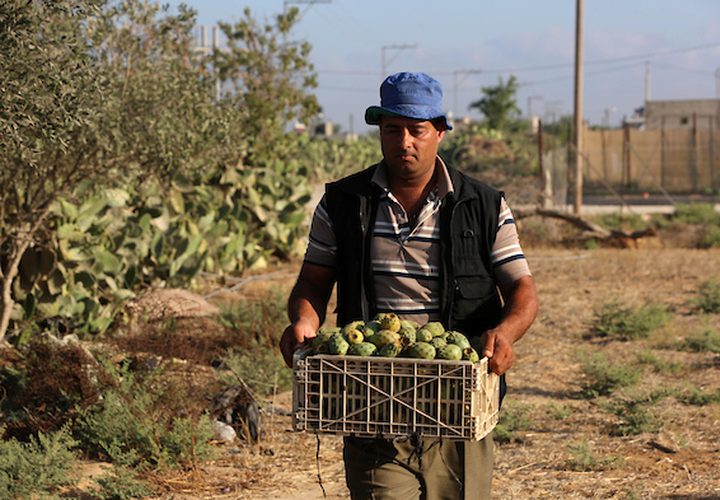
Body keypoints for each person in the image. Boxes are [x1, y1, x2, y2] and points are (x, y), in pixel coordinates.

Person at [280, 72, 539, 500]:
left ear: (439, 131)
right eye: (392, 130)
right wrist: (304, 321)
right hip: (370, 400)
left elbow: (522, 290)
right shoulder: (342, 203)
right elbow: (313, 280)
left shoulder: (484, 205)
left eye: (417, 130)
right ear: (379, 133)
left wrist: (506, 334)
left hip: (457, 404)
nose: (405, 142)